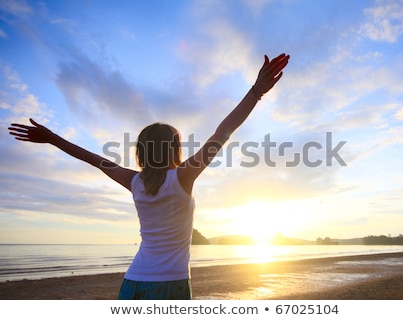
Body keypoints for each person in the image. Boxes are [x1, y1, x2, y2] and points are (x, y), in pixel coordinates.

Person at [8, 53, 290, 299]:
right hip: (171, 285)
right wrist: (255, 92)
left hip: (132, 283)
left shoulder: (134, 181)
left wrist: (53, 138)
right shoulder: (183, 177)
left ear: (142, 152)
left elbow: (91, 158)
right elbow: (222, 132)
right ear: (175, 148)